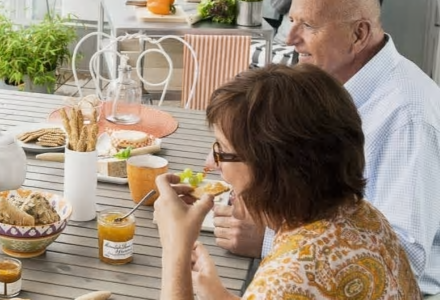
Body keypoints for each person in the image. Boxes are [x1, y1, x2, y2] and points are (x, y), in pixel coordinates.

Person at [212, 0, 440, 296]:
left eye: (308, 25)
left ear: (359, 34)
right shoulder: (334, 86)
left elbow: (403, 257)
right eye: (291, 21)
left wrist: (268, 239)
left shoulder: (408, 116)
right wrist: (238, 146)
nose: (289, 38)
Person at [156, 64, 420, 299]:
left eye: (222, 151)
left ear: (270, 169)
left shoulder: (291, 277)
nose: (215, 165)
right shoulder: (362, 216)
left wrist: (175, 250)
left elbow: (293, 286)